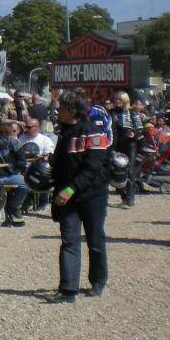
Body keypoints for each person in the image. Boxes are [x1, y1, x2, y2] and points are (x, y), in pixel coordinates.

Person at [46, 89, 110, 303]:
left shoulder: (93, 132)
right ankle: (68, 289)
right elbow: (65, 163)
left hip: (91, 195)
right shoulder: (64, 133)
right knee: (69, 240)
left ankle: (98, 281)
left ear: (72, 110)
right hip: (67, 197)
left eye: (61, 108)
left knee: (95, 239)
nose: (58, 112)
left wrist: (71, 188)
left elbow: (93, 167)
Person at [0, 121, 29, 227]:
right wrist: (16, 170)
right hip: (9, 175)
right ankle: (14, 206)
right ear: (11, 131)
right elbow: (22, 161)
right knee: (25, 184)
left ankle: (7, 209)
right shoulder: (14, 142)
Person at [111, 91, 142, 209]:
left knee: (130, 171)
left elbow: (140, 129)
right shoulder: (111, 113)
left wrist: (134, 134)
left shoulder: (132, 113)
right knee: (114, 171)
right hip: (115, 145)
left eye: (120, 99)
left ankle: (129, 199)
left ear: (125, 100)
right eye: (116, 99)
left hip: (129, 145)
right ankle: (123, 196)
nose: (117, 101)